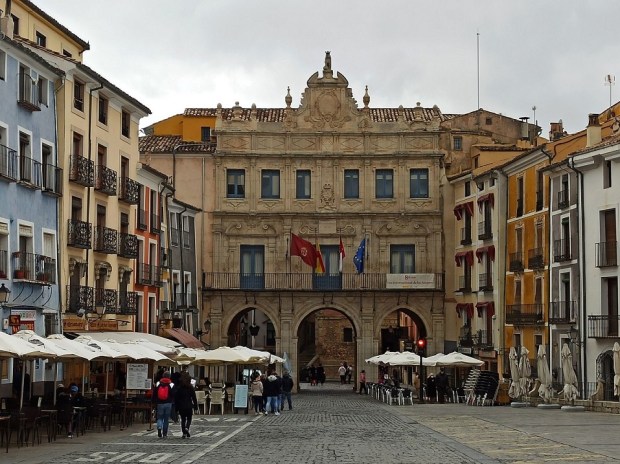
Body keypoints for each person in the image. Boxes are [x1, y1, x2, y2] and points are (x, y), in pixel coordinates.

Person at [174, 372, 198, 438]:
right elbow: (194, 398)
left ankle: (184, 433)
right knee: (189, 418)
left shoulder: (179, 388)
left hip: (181, 406)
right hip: (189, 405)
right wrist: (196, 407)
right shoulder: (190, 387)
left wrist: (176, 408)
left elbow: (176, 398)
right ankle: (187, 428)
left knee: (183, 419)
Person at [152, 371, 175, 438]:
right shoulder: (171, 384)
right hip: (168, 403)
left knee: (160, 417)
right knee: (166, 419)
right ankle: (164, 434)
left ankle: (159, 427)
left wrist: (154, 401)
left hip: (160, 403)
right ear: (169, 377)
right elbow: (173, 394)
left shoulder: (158, 383)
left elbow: (155, 393)